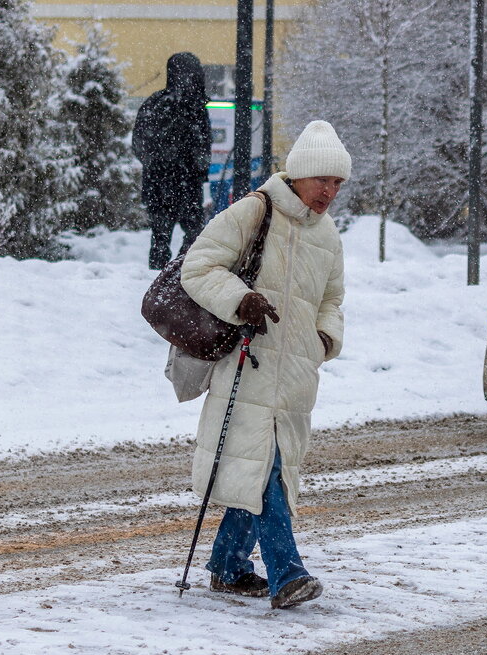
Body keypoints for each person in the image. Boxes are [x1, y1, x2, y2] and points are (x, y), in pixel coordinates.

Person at [180, 121, 349, 610]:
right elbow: (199, 267)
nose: (330, 192)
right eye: (324, 180)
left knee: (259, 468)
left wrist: (324, 337)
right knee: (266, 469)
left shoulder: (328, 235)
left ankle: (230, 566)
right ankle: (287, 573)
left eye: (338, 183)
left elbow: (333, 300)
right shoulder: (255, 211)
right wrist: (242, 300)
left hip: (296, 373)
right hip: (247, 364)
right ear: (300, 175)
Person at [132, 52, 212, 270]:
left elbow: (139, 144)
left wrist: (158, 163)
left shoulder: (157, 104)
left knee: (164, 237)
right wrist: (184, 163)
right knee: (184, 235)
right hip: (179, 184)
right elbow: (204, 146)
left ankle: (165, 276)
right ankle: (173, 274)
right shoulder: (192, 107)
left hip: (166, 184)